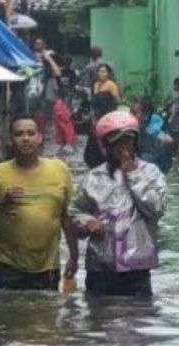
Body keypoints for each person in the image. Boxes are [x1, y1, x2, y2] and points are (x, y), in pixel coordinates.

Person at [0, 115, 78, 290]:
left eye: (31, 133)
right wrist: (1, 202)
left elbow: (67, 217)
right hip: (6, 266)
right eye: (19, 134)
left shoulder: (60, 170)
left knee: (45, 315)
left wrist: (74, 256)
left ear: (40, 138)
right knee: (3, 315)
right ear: (10, 140)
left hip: (48, 268)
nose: (25, 138)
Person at [71, 111, 167, 297]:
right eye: (118, 143)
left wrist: (134, 175)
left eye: (128, 142)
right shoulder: (92, 178)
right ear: (106, 146)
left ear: (135, 143)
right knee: (99, 318)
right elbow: (74, 211)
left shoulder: (151, 173)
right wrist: (86, 223)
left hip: (137, 268)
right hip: (100, 267)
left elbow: (156, 210)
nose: (124, 148)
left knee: (138, 318)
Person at [84, 63, 120, 169]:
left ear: (108, 73)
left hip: (107, 112)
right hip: (97, 113)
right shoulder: (96, 85)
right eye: (100, 71)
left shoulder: (111, 85)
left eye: (104, 71)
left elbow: (116, 100)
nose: (102, 74)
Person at [133, 97, 174, 174]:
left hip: (154, 162)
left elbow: (168, 140)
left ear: (146, 114)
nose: (133, 115)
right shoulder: (139, 125)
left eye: (136, 112)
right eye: (132, 112)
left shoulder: (154, 127)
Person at [52, 91, 77, 157]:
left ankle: (63, 150)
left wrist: (69, 115)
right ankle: (62, 151)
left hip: (65, 122)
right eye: (67, 96)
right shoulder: (59, 103)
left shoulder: (62, 103)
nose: (67, 98)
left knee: (66, 138)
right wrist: (68, 116)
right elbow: (60, 114)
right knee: (65, 137)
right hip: (63, 123)